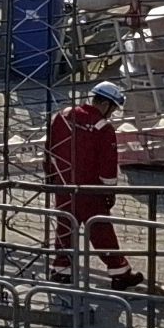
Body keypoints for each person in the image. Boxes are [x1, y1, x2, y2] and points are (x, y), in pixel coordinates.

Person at [45, 77, 137, 284]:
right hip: (90, 189)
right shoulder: (103, 128)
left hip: (62, 184)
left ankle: (61, 269)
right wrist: (108, 192)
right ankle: (119, 271)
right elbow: (108, 167)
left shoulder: (62, 116)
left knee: (65, 227)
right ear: (105, 104)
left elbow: (49, 149)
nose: (111, 114)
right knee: (101, 230)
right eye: (112, 109)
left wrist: (52, 176)